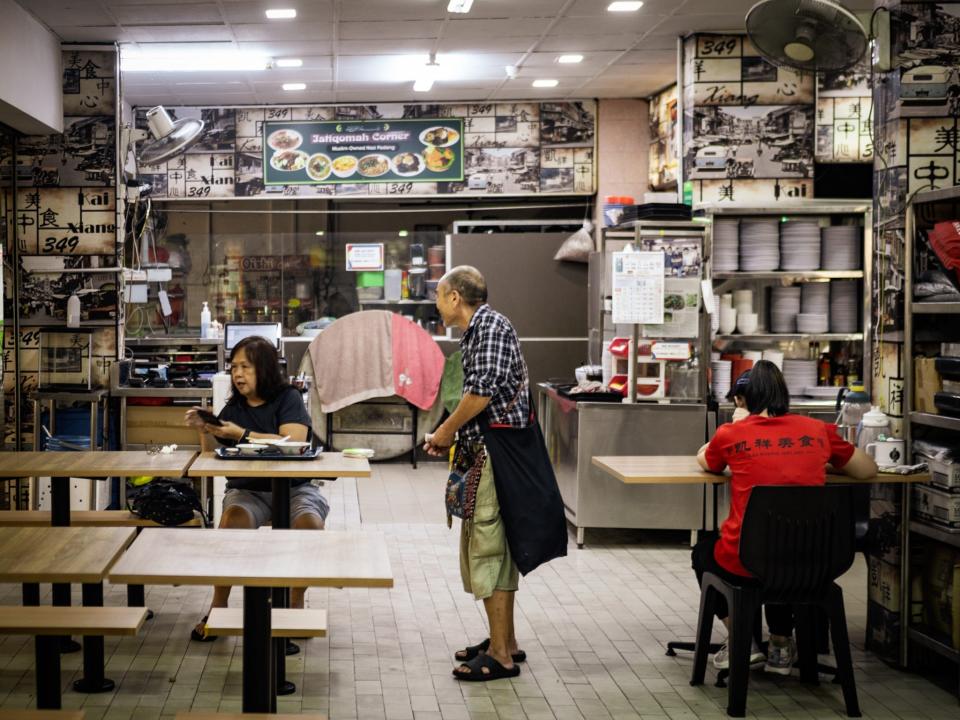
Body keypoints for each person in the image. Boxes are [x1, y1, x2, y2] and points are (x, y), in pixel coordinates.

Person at [693, 360, 877, 675]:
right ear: (784, 395)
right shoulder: (817, 431)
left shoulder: (731, 434)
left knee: (704, 552)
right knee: (784, 544)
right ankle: (781, 643)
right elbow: (867, 470)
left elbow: (707, 462)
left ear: (741, 400)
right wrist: (823, 464)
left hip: (748, 560)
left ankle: (742, 641)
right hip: (815, 561)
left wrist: (735, 427)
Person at [184, 335, 329, 650]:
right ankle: (218, 609)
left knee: (309, 528)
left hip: (294, 488)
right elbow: (212, 455)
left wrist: (243, 434)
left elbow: (294, 443)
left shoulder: (288, 397)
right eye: (234, 367)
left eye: (245, 367)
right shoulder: (234, 406)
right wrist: (205, 430)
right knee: (230, 526)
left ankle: (294, 604)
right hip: (248, 491)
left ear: (262, 368)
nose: (237, 374)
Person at [423, 265, 527, 682]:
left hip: (493, 454)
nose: (436, 303)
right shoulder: (481, 329)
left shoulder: (489, 327)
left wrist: (445, 431)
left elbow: (480, 392)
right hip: (485, 451)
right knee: (492, 544)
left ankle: (500, 654)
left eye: (439, 295)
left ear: (454, 298)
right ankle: (506, 641)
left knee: (487, 546)